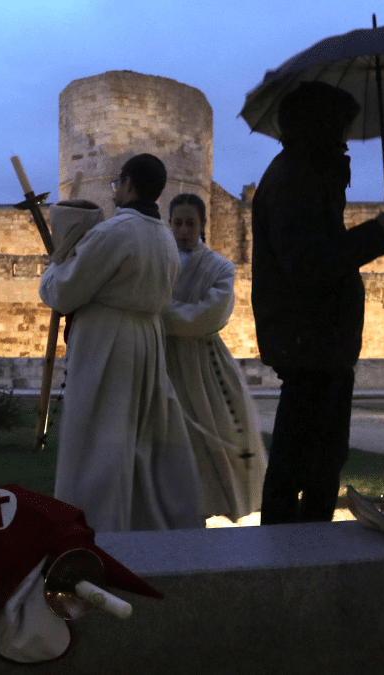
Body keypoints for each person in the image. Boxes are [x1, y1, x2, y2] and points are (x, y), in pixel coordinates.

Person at [252, 81, 384, 525]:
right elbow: (311, 264)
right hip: (312, 342)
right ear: (322, 126)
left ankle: (300, 549)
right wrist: (376, 233)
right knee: (306, 463)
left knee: (315, 460)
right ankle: (295, 553)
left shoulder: (305, 175)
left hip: (317, 342)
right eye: (341, 126)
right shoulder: (298, 178)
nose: (347, 137)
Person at [39, 153, 202, 533]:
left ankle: (95, 525)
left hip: (106, 344)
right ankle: (139, 525)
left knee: (99, 439)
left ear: (128, 184)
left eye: (117, 185)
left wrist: (56, 263)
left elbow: (64, 292)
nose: (114, 192)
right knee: (135, 440)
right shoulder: (163, 235)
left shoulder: (113, 232)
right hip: (146, 341)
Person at [162, 193, 268, 522]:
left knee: (212, 439)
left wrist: (158, 315)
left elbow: (208, 316)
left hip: (204, 366)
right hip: (160, 362)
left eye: (190, 223)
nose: (183, 230)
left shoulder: (219, 267)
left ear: (203, 225)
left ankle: (206, 509)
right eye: (177, 222)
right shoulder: (157, 262)